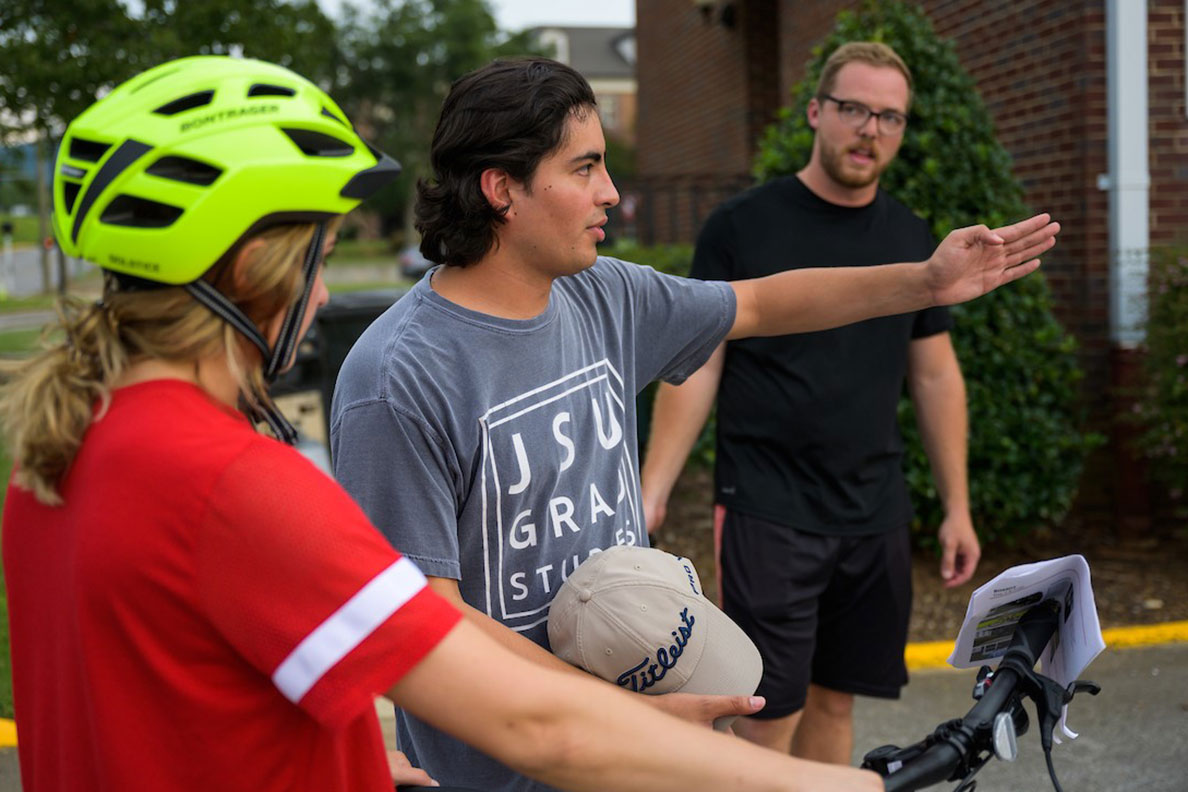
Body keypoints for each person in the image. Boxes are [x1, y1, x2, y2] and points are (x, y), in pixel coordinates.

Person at [0, 55, 895, 792]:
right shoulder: (234, 486)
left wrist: (356, 759)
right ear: (250, 269)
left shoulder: (64, 452)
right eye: (317, 251)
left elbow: (179, 699)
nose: (319, 294)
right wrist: (832, 784)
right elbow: (538, 728)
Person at [330, 55, 1056, 792]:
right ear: (502, 189)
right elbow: (428, 618)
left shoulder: (603, 295)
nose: (611, 191)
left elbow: (763, 304)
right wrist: (616, 717)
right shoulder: (395, 378)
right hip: (505, 770)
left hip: (634, 742)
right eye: (584, 169)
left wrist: (926, 282)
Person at [640, 41, 983, 765]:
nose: (871, 130)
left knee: (835, 698)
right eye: (855, 109)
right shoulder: (743, 227)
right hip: (770, 507)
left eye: (890, 117)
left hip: (873, 510)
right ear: (816, 112)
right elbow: (698, 363)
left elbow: (935, 378)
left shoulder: (913, 239)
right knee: (766, 711)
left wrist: (957, 504)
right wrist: (654, 488)